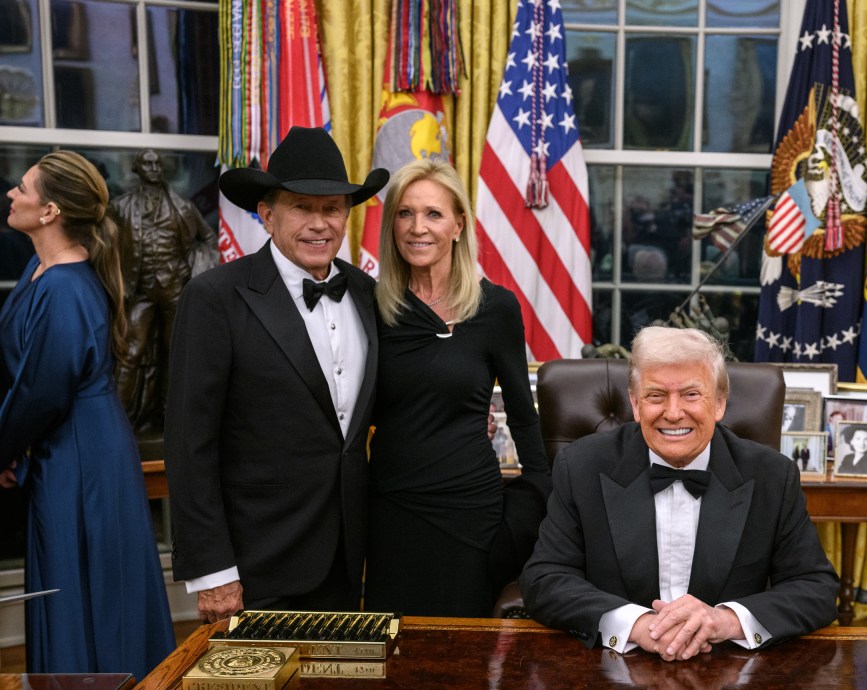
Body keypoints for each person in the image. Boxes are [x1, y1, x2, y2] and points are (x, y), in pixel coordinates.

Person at [166, 127, 388, 622]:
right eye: (301, 208)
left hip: (348, 562)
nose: (319, 223)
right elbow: (189, 443)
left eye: (331, 208)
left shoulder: (368, 293)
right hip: (253, 569)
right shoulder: (214, 298)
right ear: (267, 215)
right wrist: (214, 572)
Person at [520, 326, 839, 661]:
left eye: (690, 394)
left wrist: (723, 620)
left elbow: (816, 590)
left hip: (729, 676)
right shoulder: (581, 466)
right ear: (635, 403)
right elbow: (545, 579)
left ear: (718, 404)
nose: (673, 413)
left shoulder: (772, 475)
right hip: (611, 670)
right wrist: (638, 625)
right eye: (656, 395)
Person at [0, 151, 174, 678]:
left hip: (81, 453)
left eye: (25, 187)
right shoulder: (40, 267)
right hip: (63, 443)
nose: (12, 193)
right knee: (76, 579)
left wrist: (4, 448)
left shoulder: (65, 287)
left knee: (84, 583)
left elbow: (42, 392)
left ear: (50, 211)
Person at [364, 159, 548, 618]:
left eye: (433, 214)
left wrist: (546, 497)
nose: (416, 228)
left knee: (465, 656)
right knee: (393, 651)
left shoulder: (496, 308)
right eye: (404, 214)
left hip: (470, 510)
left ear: (459, 225)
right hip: (392, 506)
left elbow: (524, 416)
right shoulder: (371, 306)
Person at [111, 149, 218, 435]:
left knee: (176, 353)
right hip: (140, 290)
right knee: (130, 352)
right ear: (137, 168)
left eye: (158, 163)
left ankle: (172, 418)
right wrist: (117, 280)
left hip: (174, 289)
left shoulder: (183, 207)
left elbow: (209, 240)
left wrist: (196, 269)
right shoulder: (120, 207)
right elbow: (106, 246)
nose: (155, 167)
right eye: (148, 162)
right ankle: (118, 420)